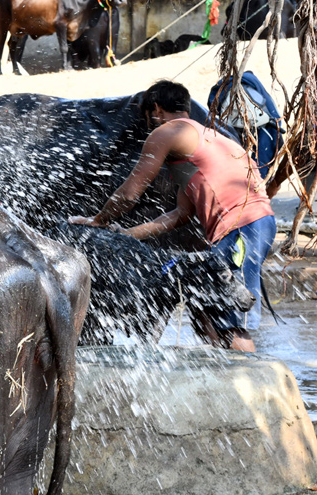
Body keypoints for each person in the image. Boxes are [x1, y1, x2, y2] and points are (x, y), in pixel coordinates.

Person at [70, 80, 275, 352]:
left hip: (240, 227)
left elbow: (130, 193)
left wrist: (99, 221)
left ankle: (251, 384)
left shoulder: (167, 132)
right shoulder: (207, 139)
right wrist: (127, 234)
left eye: (148, 118)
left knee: (229, 317)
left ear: (155, 109)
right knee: (202, 301)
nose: (150, 125)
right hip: (255, 223)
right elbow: (180, 214)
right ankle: (218, 374)